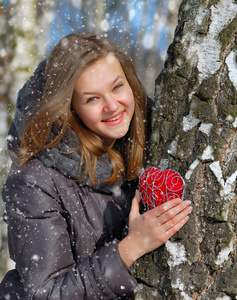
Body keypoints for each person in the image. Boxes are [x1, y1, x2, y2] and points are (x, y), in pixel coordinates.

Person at [0, 33, 192, 299]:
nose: (112, 106)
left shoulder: (151, 135)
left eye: (117, 87)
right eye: (92, 99)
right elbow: (46, 293)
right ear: (70, 108)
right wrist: (131, 248)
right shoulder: (34, 180)